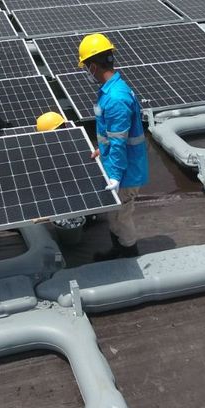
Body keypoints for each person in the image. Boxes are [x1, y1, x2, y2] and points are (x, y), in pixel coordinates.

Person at [78, 33, 148, 261]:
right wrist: (102, 150)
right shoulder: (112, 89)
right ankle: (119, 249)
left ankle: (128, 254)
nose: (85, 72)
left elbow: (119, 141)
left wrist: (116, 176)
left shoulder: (116, 98)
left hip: (125, 172)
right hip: (119, 163)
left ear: (94, 66)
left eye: (85, 67)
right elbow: (112, 137)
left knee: (121, 217)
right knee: (115, 215)